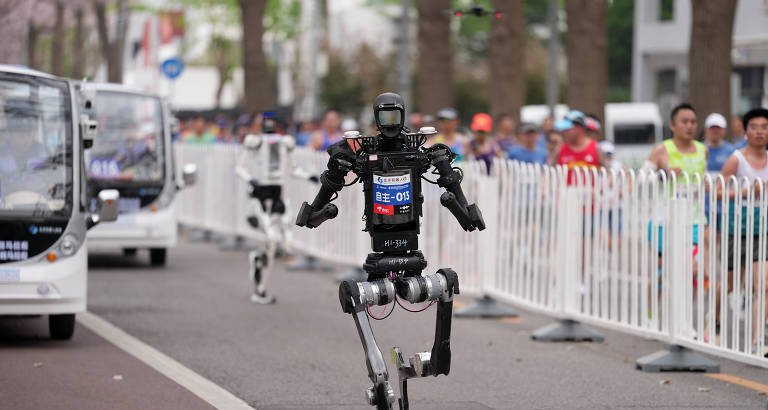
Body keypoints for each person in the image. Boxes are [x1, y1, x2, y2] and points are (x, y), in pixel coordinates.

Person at [718, 107, 768, 355]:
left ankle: (758, 340)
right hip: (736, 230)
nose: (759, 132)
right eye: (754, 127)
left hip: (763, 230)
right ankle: (714, 321)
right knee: (729, 285)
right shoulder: (736, 159)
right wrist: (746, 192)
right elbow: (718, 191)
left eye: (764, 127)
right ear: (745, 131)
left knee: (763, 286)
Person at [555, 110, 604, 184]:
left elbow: (610, 172)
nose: (564, 132)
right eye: (563, 130)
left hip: (591, 191)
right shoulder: (559, 150)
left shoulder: (598, 149)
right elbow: (549, 173)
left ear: (579, 128)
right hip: (566, 191)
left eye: (567, 129)